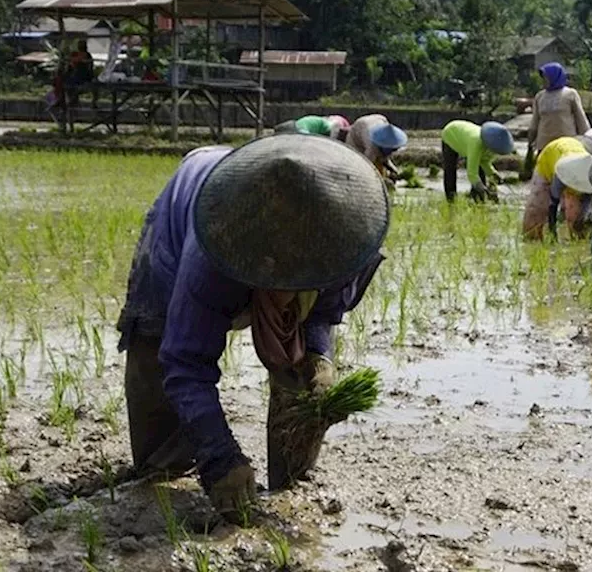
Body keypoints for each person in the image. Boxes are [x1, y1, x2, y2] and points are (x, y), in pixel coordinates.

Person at [116, 135, 389, 521]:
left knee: (301, 380)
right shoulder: (214, 249)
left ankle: (290, 475)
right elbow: (184, 361)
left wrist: (317, 354)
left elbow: (323, 310)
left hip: (274, 215)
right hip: (190, 211)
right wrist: (219, 458)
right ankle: (171, 467)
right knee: (156, 347)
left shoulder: (347, 235)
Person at [525, 127, 592, 239]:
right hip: (549, 155)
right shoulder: (561, 175)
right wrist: (553, 232)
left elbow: (589, 201)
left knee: (575, 213)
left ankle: (580, 234)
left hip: (575, 148)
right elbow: (552, 205)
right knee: (537, 208)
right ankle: (531, 237)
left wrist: (584, 218)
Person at [527, 62, 590, 163]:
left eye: (546, 77)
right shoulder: (540, 96)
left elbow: (581, 119)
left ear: (554, 76)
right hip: (544, 144)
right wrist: (530, 140)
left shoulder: (570, 94)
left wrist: (587, 139)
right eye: (543, 78)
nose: (544, 80)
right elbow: (535, 121)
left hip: (566, 144)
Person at [440, 120, 515, 202]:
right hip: (451, 134)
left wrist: (493, 174)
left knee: (481, 172)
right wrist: (483, 188)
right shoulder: (476, 143)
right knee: (450, 169)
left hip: (464, 137)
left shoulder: (491, 147)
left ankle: (477, 199)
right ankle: (451, 200)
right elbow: (472, 173)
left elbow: (484, 162)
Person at [345, 114, 408, 180]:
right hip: (356, 136)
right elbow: (366, 165)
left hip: (377, 120)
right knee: (357, 164)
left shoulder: (385, 130)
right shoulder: (371, 147)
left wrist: (394, 170)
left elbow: (385, 158)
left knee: (380, 163)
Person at [274, 115, 351, 141]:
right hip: (301, 128)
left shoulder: (323, 121)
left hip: (297, 124)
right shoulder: (332, 125)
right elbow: (332, 136)